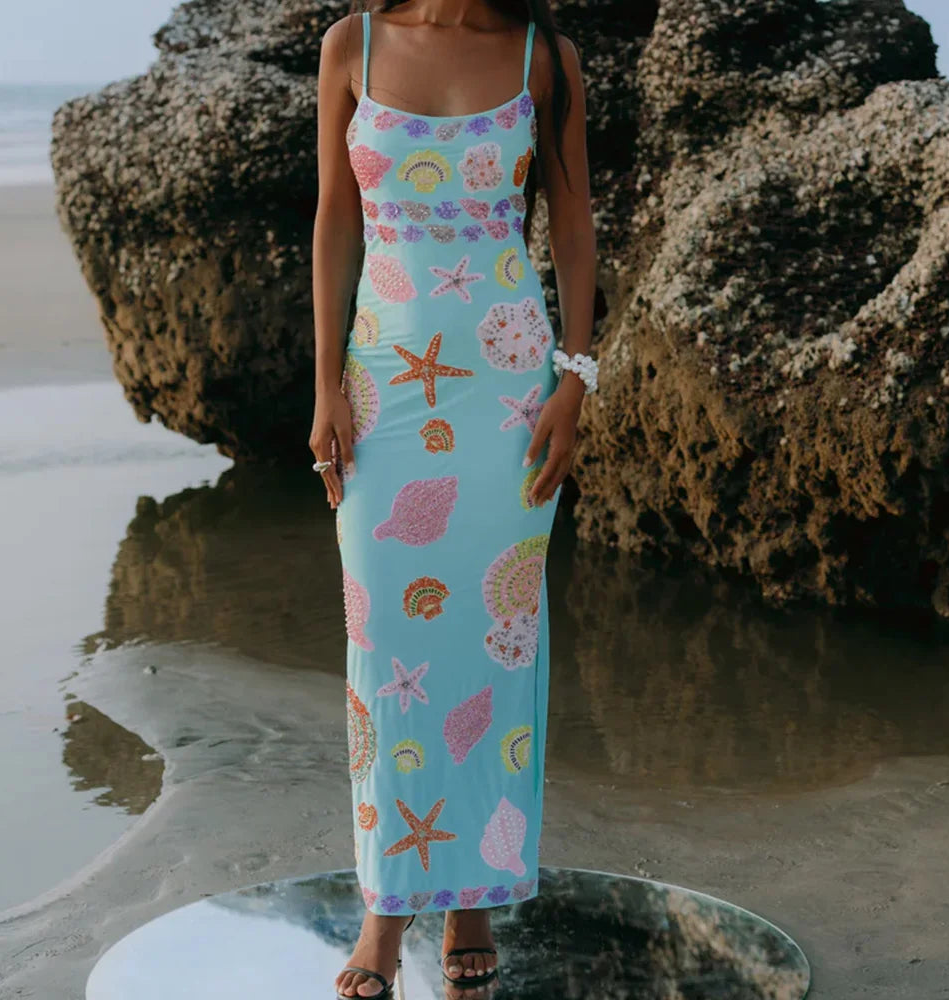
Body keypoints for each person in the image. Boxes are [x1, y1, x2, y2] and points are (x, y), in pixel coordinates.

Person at [311, 1, 596, 996]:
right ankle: (388, 908)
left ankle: (471, 892)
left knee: (491, 630)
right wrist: (324, 387)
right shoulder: (353, 44)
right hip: (383, 383)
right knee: (382, 637)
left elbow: (570, 221)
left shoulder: (542, 56)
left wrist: (574, 376)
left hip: (508, 386)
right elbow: (335, 218)